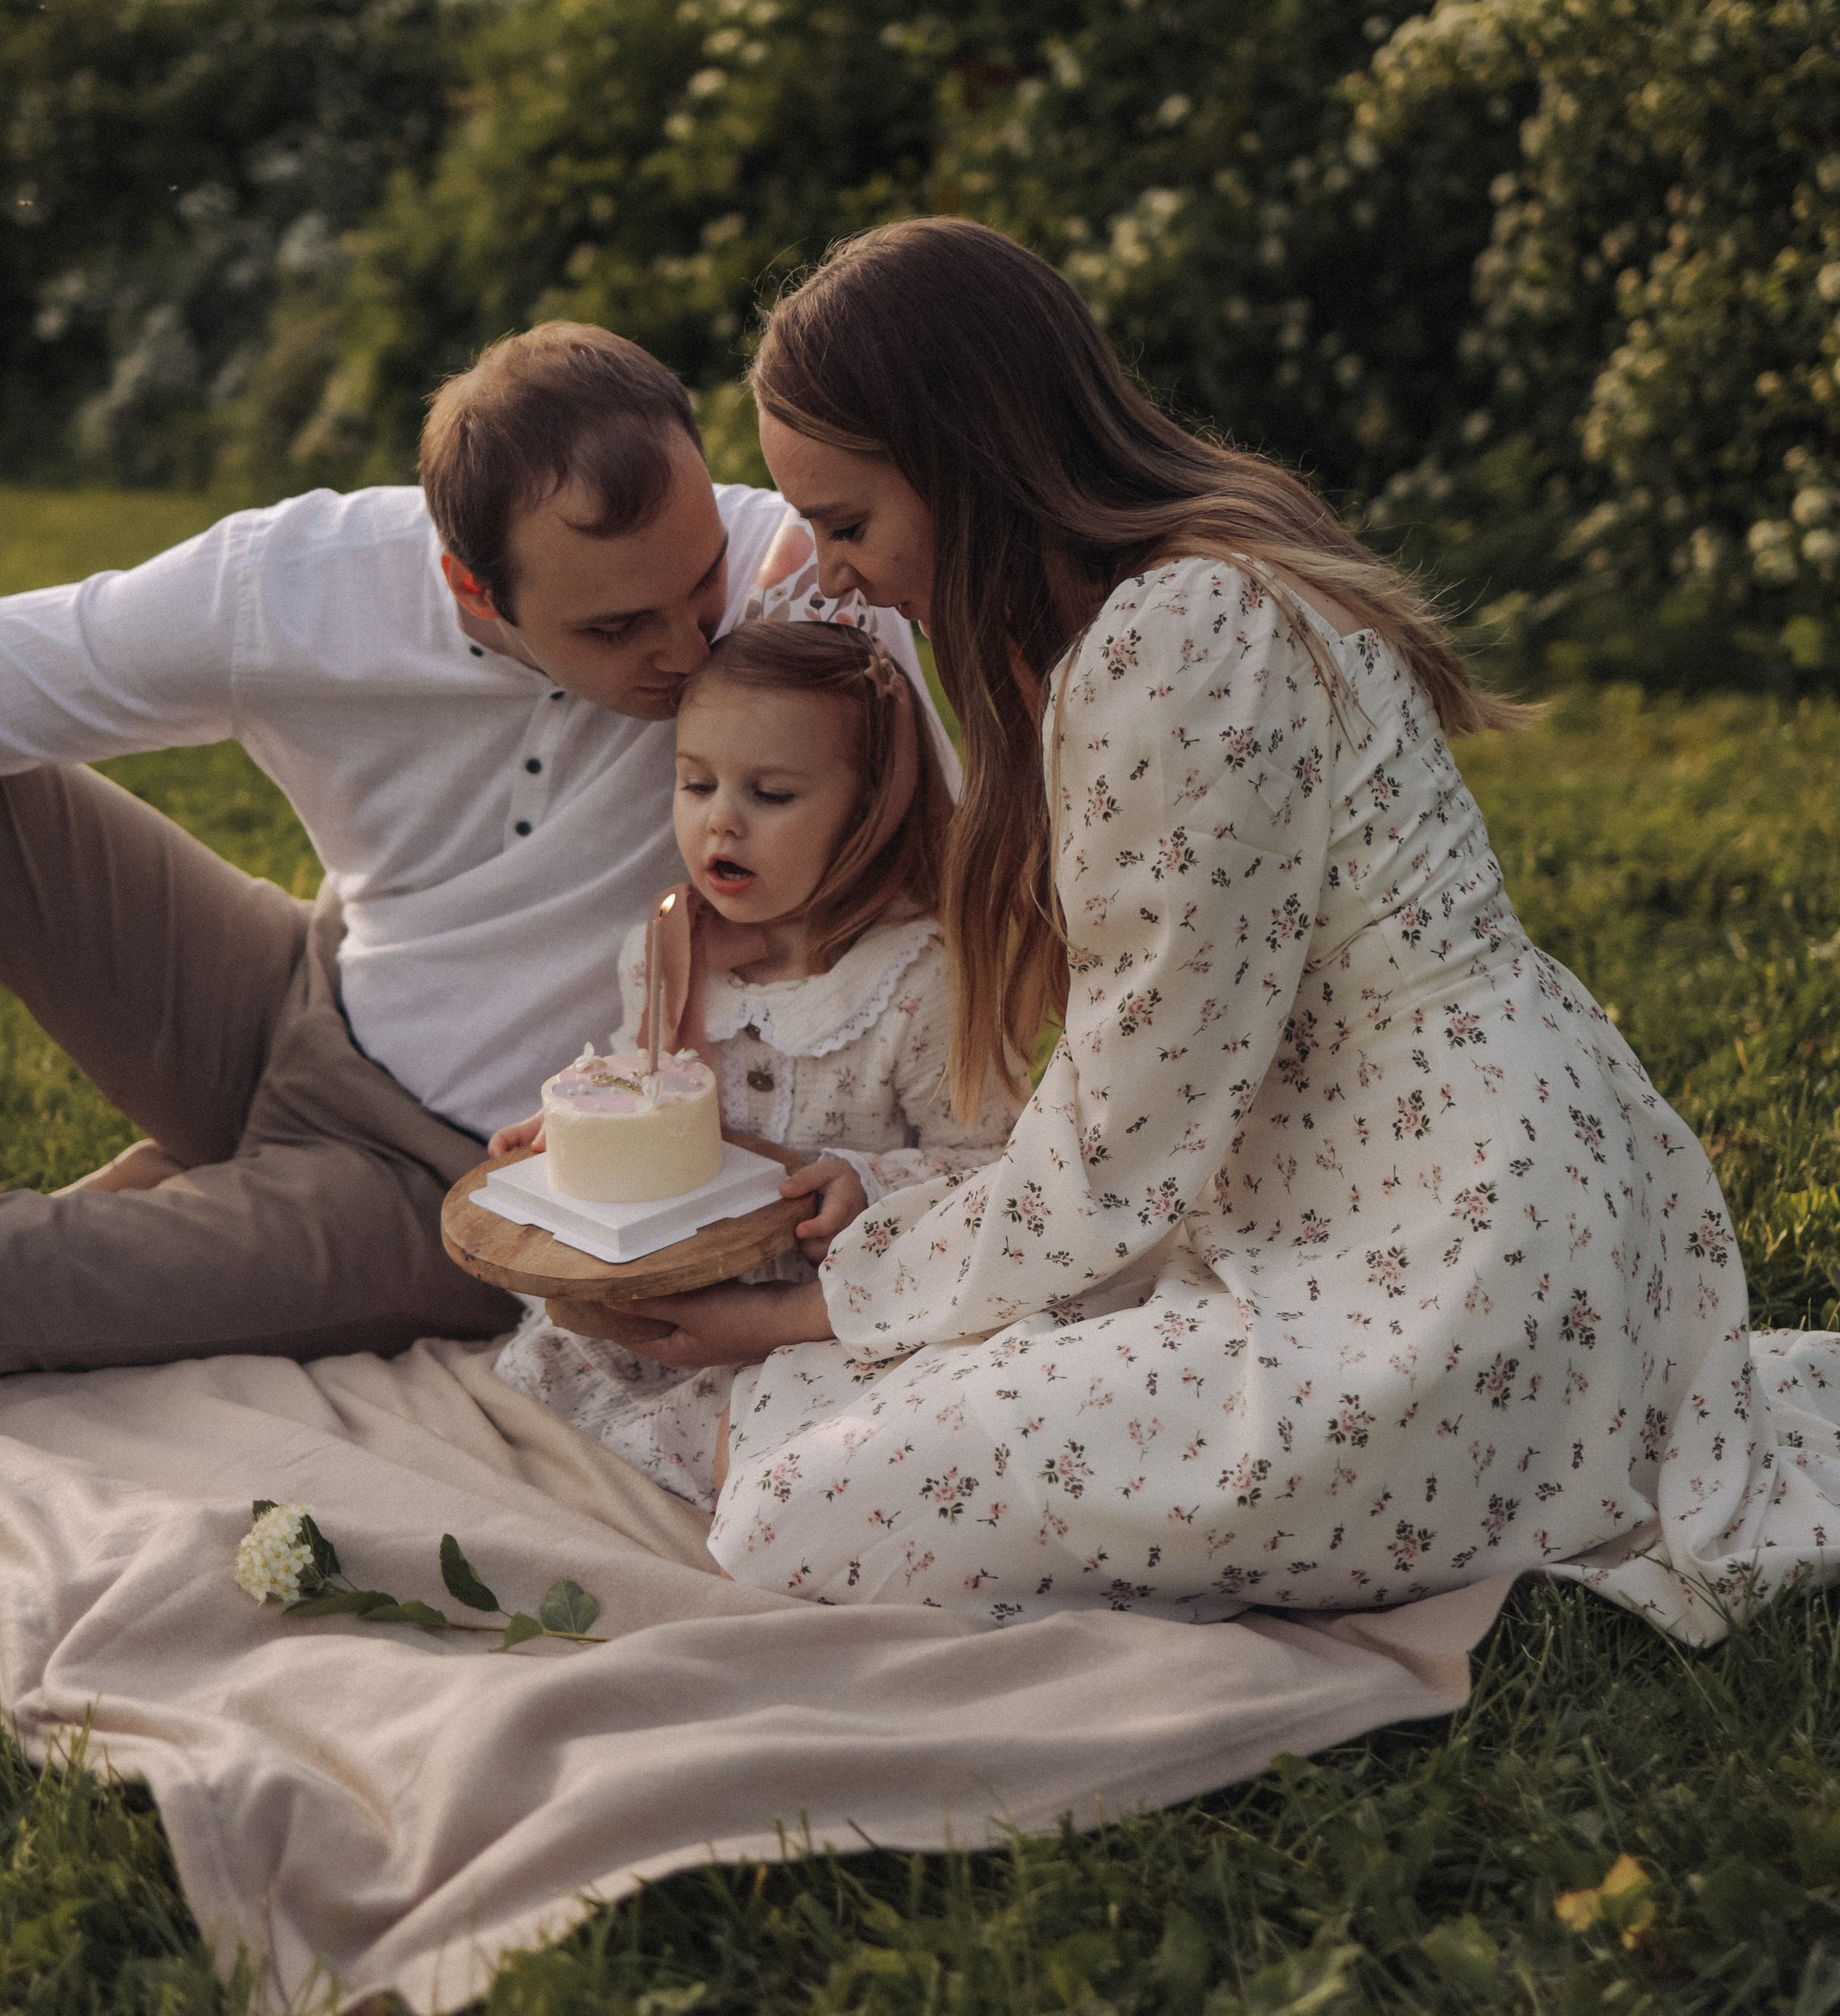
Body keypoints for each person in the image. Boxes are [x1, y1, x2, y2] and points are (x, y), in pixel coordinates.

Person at [603, 217, 1840, 1642]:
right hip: (1370, 1201)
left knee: (800, 1511)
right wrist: (893, 1205)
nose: (821, 572)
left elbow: (1135, 1136)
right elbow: (1155, 1088)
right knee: (876, 1419)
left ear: (968, 464)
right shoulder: (1154, 611)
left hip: (1459, 1268)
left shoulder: (1180, 638)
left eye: (847, 521)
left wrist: (813, 1306)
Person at [0, 323, 936, 1431]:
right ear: (469, 585)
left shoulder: (798, 606)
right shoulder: (297, 588)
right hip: (288, 996)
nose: (687, 642)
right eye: (614, 627)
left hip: (436, 1182)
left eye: (699, 574)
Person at [484, 618, 1021, 1503]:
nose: (720, 819)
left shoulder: (922, 982)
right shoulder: (667, 948)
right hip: (685, 1292)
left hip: (838, 1309)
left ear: (868, 812)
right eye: (695, 783)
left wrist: (868, 1181)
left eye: (771, 793)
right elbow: (645, 1082)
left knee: (835, 1432)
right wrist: (581, 1126)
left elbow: (1000, 1168)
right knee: (563, 1353)